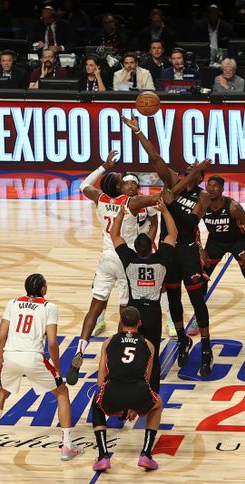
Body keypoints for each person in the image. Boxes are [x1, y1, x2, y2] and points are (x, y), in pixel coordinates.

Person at [122, 114, 217, 376]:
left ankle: (207, 347)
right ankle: (181, 338)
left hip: (187, 249)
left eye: (192, 173)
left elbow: (191, 222)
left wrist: (171, 201)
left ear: (199, 178)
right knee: (173, 298)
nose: (184, 175)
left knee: (198, 300)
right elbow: (156, 159)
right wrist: (139, 132)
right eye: (186, 172)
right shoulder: (172, 184)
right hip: (169, 250)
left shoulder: (203, 196)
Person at [68, 151, 160, 385]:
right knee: (125, 310)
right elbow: (158, 199)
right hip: (125, 256)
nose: (125, 183)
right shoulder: (128, 203)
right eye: (121, 182)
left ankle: (80, 348)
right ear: (119, 188)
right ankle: (122, 353)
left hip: (105, 258)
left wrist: (104, 166)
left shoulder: (100, 199)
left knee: (95, 308)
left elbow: (84, 185)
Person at [0, 273, 84, 461]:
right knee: (62, 393)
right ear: (43, 288)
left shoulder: (12, 303)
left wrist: (1, 362)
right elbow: (52, 343)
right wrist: (58, 369)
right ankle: (67, 446)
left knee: (2, 391)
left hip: (10, 355)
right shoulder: (49, 307)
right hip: (33, 357)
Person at [111, 199, 176, 393]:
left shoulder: (129, 259)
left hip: (133, 311)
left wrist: (121, 215)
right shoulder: (161, 257)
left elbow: (114, 235)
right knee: (152, 353)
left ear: (136, 248)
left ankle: (124, 386)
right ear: (152, 246)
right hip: (153, 311)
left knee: (127, 350)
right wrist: (164, 211)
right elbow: (173, 234)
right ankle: (152, 392)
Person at [90, 306, 164, 472]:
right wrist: (134, 405)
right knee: (157, 403)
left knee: (96, 403)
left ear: (120, 322)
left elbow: (100, 379)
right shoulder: (148, 345)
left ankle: (103, 456)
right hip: (138, 389)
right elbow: (147, 379)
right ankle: (146, 454)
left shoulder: (108, 342)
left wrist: (116, 402)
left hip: (114, 388)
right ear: (139, 323)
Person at [200, 176, 245, 338]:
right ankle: (199, 315)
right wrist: (200, 248)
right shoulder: (202, 205)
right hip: (215, 242)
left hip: (237, 242)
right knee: (202, 278)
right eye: (209, 186)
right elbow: (192, 226)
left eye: (215, 186)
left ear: (222, 189)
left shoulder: (233, 207)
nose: (211, 188)